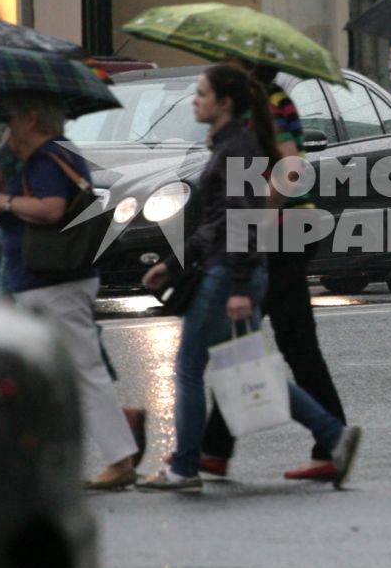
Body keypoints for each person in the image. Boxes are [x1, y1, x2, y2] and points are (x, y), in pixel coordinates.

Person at [137, 64, 363, 493]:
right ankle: (331, 436)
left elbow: (242, 216)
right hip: (239, 262)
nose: (194, 100)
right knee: (245, 360)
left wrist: (240, 284)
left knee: (191, 366)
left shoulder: (244, 140)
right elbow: (219, 221)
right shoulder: (233, 143)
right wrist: (174, 262)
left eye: (202, 93)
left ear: (226, 101)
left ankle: (187, 465)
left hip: (239, 265)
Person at [0, 92, 142, 491]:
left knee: (83, 370)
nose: (10, 123)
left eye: (15, 115)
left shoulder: (50, 156)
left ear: (33, 118)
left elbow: (51, 209)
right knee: (46, 374)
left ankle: (120, 459)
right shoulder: (41, 156)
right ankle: (37, 456)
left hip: (54, 281)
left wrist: (6, 202)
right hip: (40, 280)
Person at [199, 60, 350, 482]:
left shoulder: (270, 101)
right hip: (280, 233)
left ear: (245, 65)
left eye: (227, 59)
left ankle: (331, 439)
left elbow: (289, 167)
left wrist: (255, 219)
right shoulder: (251, 104)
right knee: (256, 341)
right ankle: (217, 447)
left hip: (280, 234)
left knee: (260, 341)